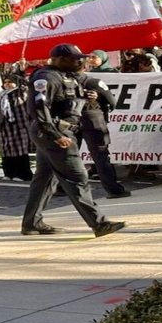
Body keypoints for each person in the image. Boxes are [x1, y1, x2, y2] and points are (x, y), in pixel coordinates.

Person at [22, 44, 126, 238]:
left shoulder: (68, 76)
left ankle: (31, 223)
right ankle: (99, 223)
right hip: (54, 134)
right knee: (77, 177)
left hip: (57, 132)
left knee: (45, 179)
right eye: (75, 58)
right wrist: (56, 135)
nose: (81, 61)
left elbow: (70, 101)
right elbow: (38, 108)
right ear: (60, 59)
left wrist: (89, 98)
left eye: (82, 57)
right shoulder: (46, 78)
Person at [76, 72, 130, 199]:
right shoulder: (93, 82)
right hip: (92, 120)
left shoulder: (60, 82)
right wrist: (99, 98)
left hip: (70, 120)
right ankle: (113, 189)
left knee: (68, 156)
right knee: (101, 156)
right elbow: (113, 102)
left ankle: (61, 187)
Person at [0, 72, 34, 181]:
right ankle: (8, 173)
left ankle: (23, 174)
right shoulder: (1, 94)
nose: (7, 84)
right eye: (5, 82)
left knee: (20, 150)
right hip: (5, 127)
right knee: (6, 150)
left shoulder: (21, 93)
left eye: (10, 82)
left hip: (19, 125)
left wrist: (20, 71)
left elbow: (25, 84)